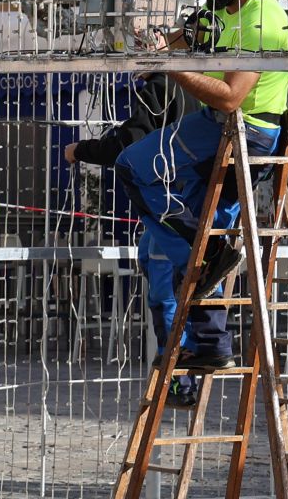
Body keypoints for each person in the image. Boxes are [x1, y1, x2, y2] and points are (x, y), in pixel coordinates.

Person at [114, 0, 288, 373]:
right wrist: (158, 44)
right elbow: (179, 39)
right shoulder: (220, 8)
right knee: (191, 232)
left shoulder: (262, 20)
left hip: (244, 131)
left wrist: (171, 66)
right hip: (220, 128)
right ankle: (211, 342)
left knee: (133, 166)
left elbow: (232, 97)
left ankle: (203, 250)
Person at [65, 74, 230, 406]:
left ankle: (180, 378)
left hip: (173, 205)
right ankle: (204, 350)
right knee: (191, 279)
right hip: (202, 201)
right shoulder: (209, 82)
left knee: (170, 292)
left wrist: (81, 149)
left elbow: (128, 142)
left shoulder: (165, 84)